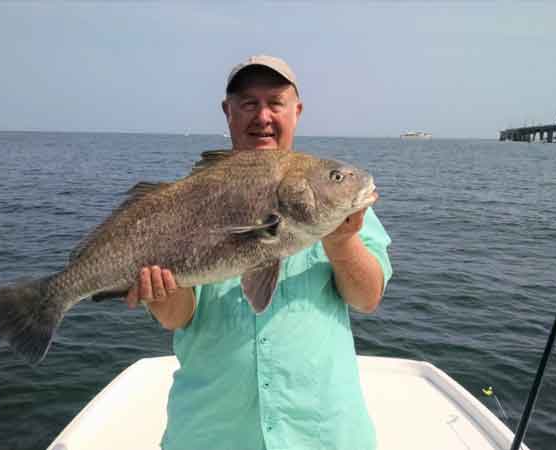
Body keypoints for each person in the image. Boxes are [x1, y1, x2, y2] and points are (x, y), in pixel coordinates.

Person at [124, 55, 393, 450]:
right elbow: (178, 317)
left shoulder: (341, 206)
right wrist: (163, 292)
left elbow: (368, 297)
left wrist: (341, 242)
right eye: (249, 103)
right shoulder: (191, 195)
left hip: (321, 435)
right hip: (211, 435)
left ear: (296, 112)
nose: (263, 116)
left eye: (275, 102)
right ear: (228, 112)